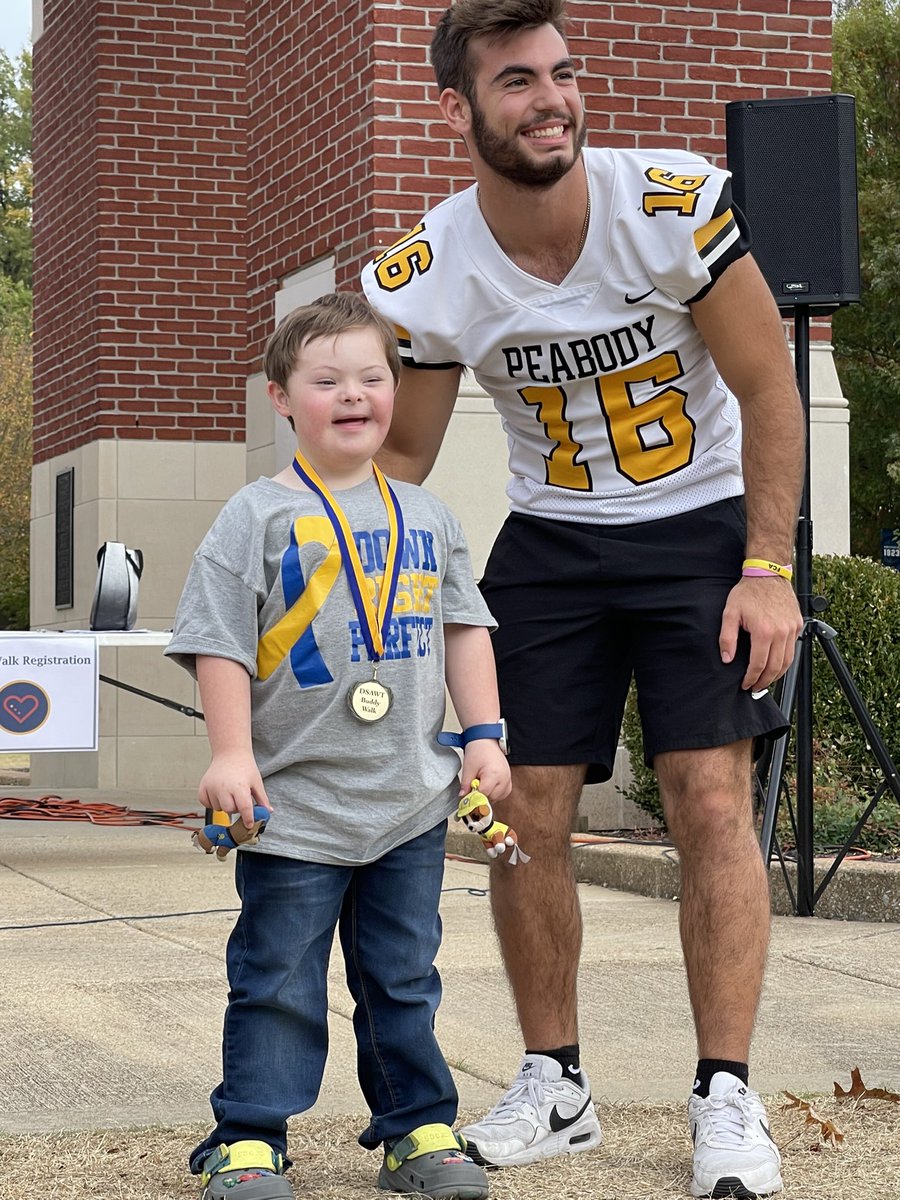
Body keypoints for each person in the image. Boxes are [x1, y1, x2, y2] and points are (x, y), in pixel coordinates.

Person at [360, 2, 805, 1195]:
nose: (552, 98)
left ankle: (725, 1093)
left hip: (699, 525)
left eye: (561, 72)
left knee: (708, 794)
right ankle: (554, 1080)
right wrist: (341, 574)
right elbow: (402, 463)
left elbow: (769, 390)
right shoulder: (431, 266)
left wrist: (768, 570)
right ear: (456, 108)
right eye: (517, 80)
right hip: (552, 537)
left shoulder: (666, 204)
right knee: (520, 805)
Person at [165, 292, 510, 1200]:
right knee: (277, 976)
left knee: (403, 975)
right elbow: (219, 641)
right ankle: (248, 1137)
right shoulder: (254, 516)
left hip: (409, 797)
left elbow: (466, 630)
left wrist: (483, 735)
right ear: (281, 396)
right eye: (328, 380)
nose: (354, 394)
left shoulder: (428, 516)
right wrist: (231, 755)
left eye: (372, 376)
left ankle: (418, 1129)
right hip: (293, 808)